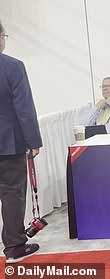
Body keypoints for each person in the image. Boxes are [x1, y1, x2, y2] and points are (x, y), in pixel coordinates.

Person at [0, 22, 42, 263]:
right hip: (8, 144)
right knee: (12, 195)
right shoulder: (12, 66)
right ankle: (14, 248)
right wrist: (33, 141)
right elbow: (23, 107)